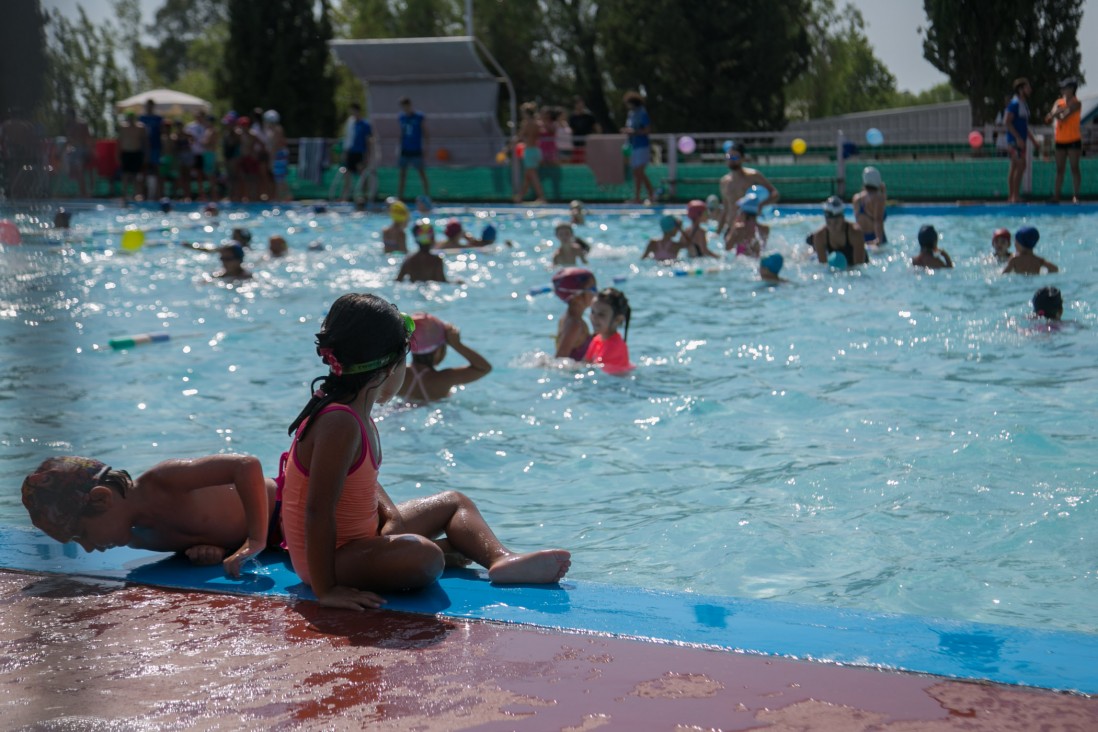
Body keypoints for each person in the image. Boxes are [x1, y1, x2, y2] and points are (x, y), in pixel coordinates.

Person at [281, 293, 570, 609]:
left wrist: (391, 514)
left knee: (454, 502)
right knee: (425, 558)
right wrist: (326, 588)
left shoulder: (354, 412)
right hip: (327, 560)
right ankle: (444, 549)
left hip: (361, 540)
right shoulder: (340, 422)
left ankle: (500, 559)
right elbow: (317, 511)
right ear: (390, 367)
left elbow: (359, 481)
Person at [21, 454, 277, 578]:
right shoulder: (139, 539)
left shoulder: (164, 481)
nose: (88, 548)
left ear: (102, 499)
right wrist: (212, 551)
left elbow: (246, 466)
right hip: (275, 538)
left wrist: (256, 539)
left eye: (82, 534)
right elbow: (203, 529)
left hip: (287, 503)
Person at [399, 313, 492, 403]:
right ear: (438, 351)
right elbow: (484, 368)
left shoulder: (397, 373)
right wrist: (457, 344)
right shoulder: (444, 378)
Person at [717, 143, 779, 238]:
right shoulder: (724, 182)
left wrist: (760, 205)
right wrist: (717, 232)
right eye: (729, 156)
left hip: (748, 228)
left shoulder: (753, 176)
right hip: (731, 229)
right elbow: (725, 209)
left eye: (734, 157)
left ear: (743, 158)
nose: (731, 160)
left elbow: (775, 194)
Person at [1045, 77, 1082, 204]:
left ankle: (1076, 196)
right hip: (1060, 140)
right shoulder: (1058, 102)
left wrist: (1057, 113)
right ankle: (1056, 196)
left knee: (1074, 168)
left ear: (1072, 89)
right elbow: (1049, 117)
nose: (1063, 90)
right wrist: (1057, 112)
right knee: (1059, 169)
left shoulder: (1077, 103)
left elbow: (1063, 117)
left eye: (1065, 88)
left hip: (1073, 140)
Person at [1004, 78, 1039, 203]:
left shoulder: (1023, 104)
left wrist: (1033, 140)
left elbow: (1024, 126)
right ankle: (1015, 196)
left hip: (1020, 141)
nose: (1029, 89)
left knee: (1015, 166)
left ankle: (1012, 196)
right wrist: (1018, 138)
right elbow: (1007, 122)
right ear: (1020, 89)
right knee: (1021, 165)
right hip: (1014, 141)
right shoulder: (1015, 103)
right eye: (1027, 87)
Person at [584, 288, 633, 373]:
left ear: (618, 319)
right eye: (592, 311)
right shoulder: (597, 339)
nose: (594, 318)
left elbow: (594, 371)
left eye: (601, 314)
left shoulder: (614, 347)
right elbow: (586, 363)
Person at [552, 267, 597, 360]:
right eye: (593, 288)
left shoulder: (568, 318)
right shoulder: (575, 324)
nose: (596, 292)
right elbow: (560, 358)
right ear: (577, 296)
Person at [811, 195, 867, 266]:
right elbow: (824, 267)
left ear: (843, 218)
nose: (832, 226)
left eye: (836, 222)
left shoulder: (855, 233)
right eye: (829, 222)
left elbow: (859, 267)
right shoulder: (820, 236)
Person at [621, 91, 654, 203]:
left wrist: (635, 132)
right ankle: (638, 197)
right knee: (636, 173)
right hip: (633, 146)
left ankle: (651, 194)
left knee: (639, 172)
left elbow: (647, 129)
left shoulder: (642, 113)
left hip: (642, 146)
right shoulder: (631, 114)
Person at [397, 97, 430, 200]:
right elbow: (401, 134)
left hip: (416, 149)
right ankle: (400, 197)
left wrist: (426, 148)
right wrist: (398, 148)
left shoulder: (418, 117)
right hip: (405, 149)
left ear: (409, 105)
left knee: (421, 173)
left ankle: (427, 196)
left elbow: (425, 133)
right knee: (402, 174)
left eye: (406, 106)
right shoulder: (402, 117)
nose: (405, 108)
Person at [514, 102, 546, 203]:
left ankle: (541, 197)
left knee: (532, 174)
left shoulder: (527, 123)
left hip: (529, 151)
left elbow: (519, 137)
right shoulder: (538, 123)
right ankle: (520, 197)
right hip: (536, 150)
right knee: (528, 175)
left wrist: (509, 146)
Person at [341, 103, 373, 202]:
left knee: (362, 175)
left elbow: (368, 141)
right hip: (351, 152)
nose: (353, 114)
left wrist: (368, 156)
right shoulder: (351, 123)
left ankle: (364, 195)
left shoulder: (365, 124)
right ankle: (345, 197)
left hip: (360, 153)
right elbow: (347, 139)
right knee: (347, 174)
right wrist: (345, 153)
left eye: (354, 111)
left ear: (358, 111)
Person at [725, 192, 769, 257]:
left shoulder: (739, 229)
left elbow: (727, 247)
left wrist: (733, 227)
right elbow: (763, 249)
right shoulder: (765, 229)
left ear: (743, 213)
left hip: (742, 264)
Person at [852, 166, 886, 246]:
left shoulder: (856, 198)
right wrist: (879, 240)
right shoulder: (878, 198)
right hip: (875, 237)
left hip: (860, 238)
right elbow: (878, 220)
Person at [64, 108, 94, 198]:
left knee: (81, 169)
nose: (66, 117)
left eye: (67, 115)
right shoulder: (69, 125)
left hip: (82, 149)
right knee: (76, 170)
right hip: (75, 150)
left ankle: (84, 192)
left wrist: (90, 150)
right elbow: (69, 140)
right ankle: (82, 191)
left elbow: (87, 138)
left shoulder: (81, 124)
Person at [117, 111, 147, 201]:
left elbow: (145, 142)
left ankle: (136, 194)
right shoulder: (123, 127)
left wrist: (146, 155)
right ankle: (124, 195)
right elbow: (119, 141)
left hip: (136, 152)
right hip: (126, 153)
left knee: (136, 175)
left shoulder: (140, 127)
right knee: (125, 175)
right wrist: (117, 155)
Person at [139, 99, 164, 201]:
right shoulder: (141, 118)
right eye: (147, 105)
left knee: (156, 170)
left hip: (155, 148)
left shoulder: (158, 119)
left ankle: (158, 194)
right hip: (144, 148)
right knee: (143, 171)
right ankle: (142, 194)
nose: (149, 107)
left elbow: (162, 133)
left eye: (151, 106)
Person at [264, 110, 290, 202]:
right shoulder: (275, 130)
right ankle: (280, 197)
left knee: (280, 179)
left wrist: (271, 159)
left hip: (278, 156)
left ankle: (284, 197)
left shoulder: (276, 130)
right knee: (278, 179)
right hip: (278, 156)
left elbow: (275, 146)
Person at [567, 97, 600, 164]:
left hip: (588, 143)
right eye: (578, 104)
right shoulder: (572, 117)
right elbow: (570, 130)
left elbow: (597, 128)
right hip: (576, 144)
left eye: (582, 104)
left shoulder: (589, 116)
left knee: (588, 161)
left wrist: (597, 138)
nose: (580, 105)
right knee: (577, 163)